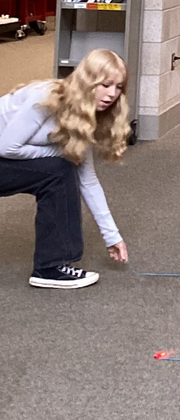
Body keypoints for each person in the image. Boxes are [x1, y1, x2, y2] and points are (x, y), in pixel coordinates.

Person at [0, 49, 130, 289]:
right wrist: (58, 153)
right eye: (105, 84)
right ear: (88, 82)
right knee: (60, 169)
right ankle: (50, 268)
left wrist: (112, 236)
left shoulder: (84, 117)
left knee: (64, 168)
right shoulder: (47, 99)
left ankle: (52, 265)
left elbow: (88, 181)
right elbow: (6, 147)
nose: (112, 94)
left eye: (119, 87)